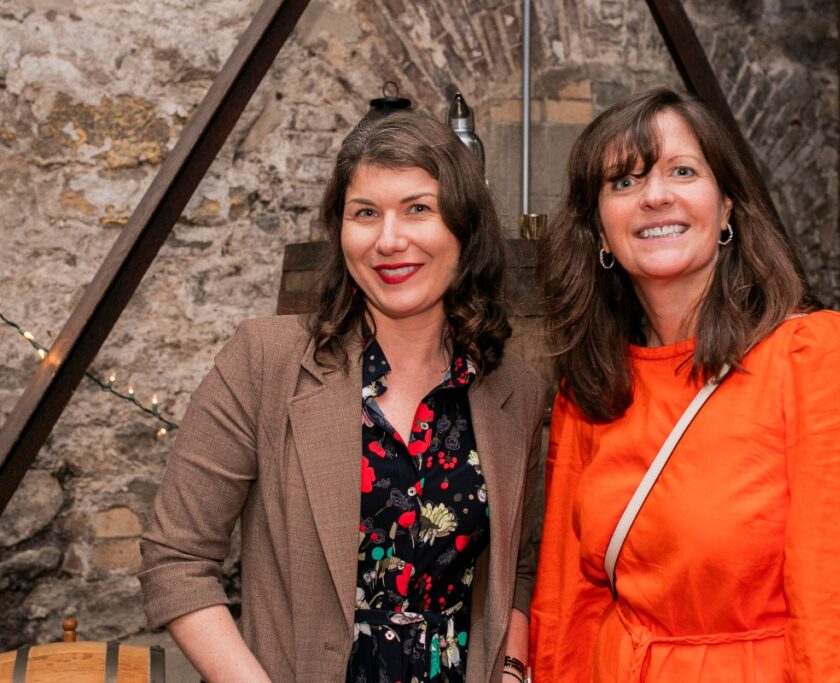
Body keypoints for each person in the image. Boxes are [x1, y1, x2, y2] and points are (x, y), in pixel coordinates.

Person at [528, 88, 840, 681]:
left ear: (726, 209)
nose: (655, 195)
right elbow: (568, 606)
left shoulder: (816, 358)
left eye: (683, 171)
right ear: (598, 230)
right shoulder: (595, 384)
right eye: (624, 182)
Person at [139, 109, 546, 683]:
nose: (389, 239)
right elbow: (176, 559)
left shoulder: (515, 392)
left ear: (465, 228)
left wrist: (509, 667)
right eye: (365, 213)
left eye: (418, 209)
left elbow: (521, 562)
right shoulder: (264, 361)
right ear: (340, 229)